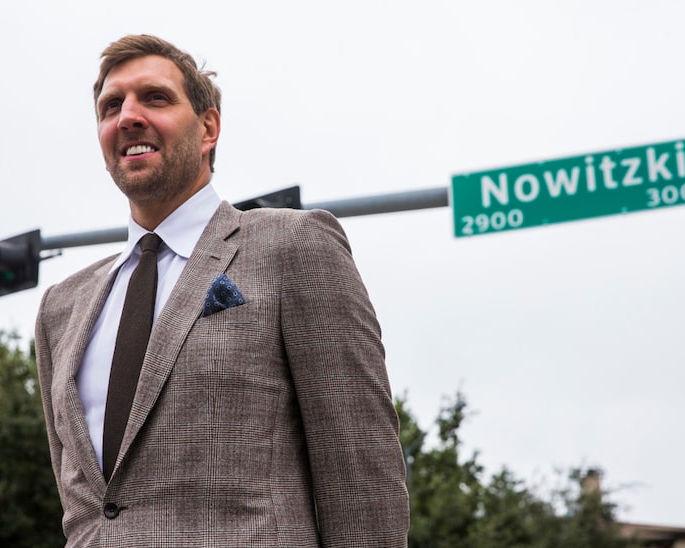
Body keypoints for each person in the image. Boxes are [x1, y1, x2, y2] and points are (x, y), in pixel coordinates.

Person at [35, 34, 409, 547]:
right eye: (111, 106)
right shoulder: (62, 308)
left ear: (208, 127)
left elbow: (361, 474)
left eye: (156, 98)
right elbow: (85, 506)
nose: (128, 117)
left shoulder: (292, 245)